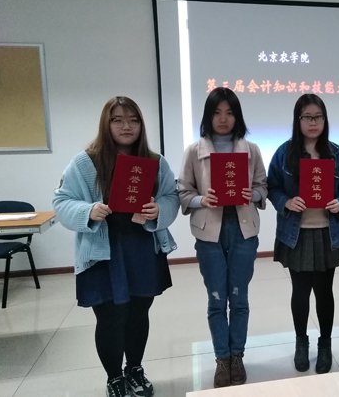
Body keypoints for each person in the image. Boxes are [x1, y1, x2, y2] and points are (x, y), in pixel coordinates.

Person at [53, 96, 179, 397]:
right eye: (118, 120)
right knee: (110, 317)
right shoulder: (86, 162)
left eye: (134, 120)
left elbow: (171, 197)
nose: (127, 126)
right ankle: (114, 377)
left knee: (138, 313)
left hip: (142, 249)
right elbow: (62, 201)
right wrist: (87, 211)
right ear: (106, 124)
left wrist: (159, 209)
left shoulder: (155, 161)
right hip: (103, 253)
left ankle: (134, 368)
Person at [178, 87, 267, 388]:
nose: (223, 119)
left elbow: (263, 187)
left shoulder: (251, 150)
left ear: (237, 116)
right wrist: (201, 199)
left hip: (243, 229)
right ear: (208, 116)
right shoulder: (194, 151)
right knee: (217, 298)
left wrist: (253, 194)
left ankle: (237, 355)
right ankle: (222, 358)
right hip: (209, 232)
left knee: (239, 297)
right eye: (217, 112)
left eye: (229, 113)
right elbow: (183, 192)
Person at [267, 93, 339, 374]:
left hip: (328, 232)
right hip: (297, 233)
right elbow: (272, 186)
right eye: (307, 117)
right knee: (300, 291)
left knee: (325, 292)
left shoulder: (338, 154)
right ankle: (301, 342)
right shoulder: (284, 153)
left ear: (325, 120)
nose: (313, 122)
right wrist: (286, 202)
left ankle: (325, 344)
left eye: (318, 117)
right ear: (298, 120)